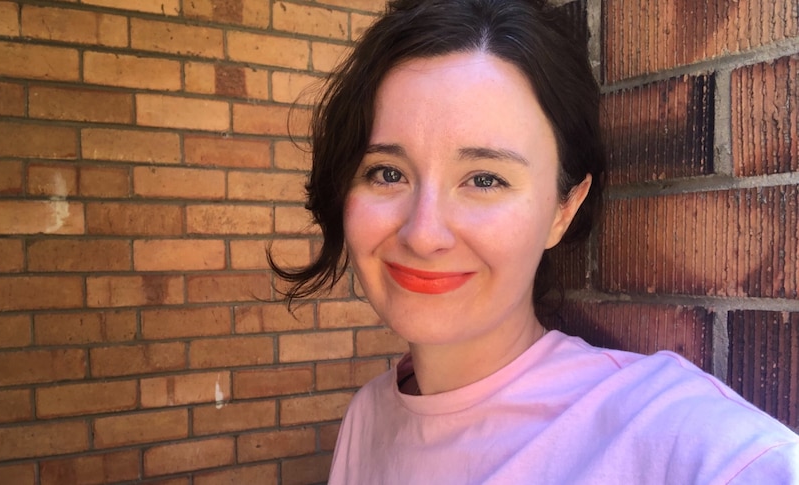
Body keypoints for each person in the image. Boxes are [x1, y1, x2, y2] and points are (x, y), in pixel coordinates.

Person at [270, 0, 799, 482]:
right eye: (386, 172)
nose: (423, 233)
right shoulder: (368, 417)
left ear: (563, 210)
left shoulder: (669, 434)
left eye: (484, 179)